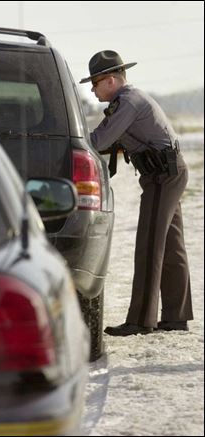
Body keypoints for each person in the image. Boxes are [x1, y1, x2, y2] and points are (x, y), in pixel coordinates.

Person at [80, 50, 193, 336]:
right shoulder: (128, 100)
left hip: (161, 177)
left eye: (94, 83)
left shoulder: (127, 103)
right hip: (166, 174)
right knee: (169, 246)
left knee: (149, 246)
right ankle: (175, 317)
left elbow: (99, 140)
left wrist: (73, 139)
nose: (93, 90)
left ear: (110, 80)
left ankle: (141, 321)